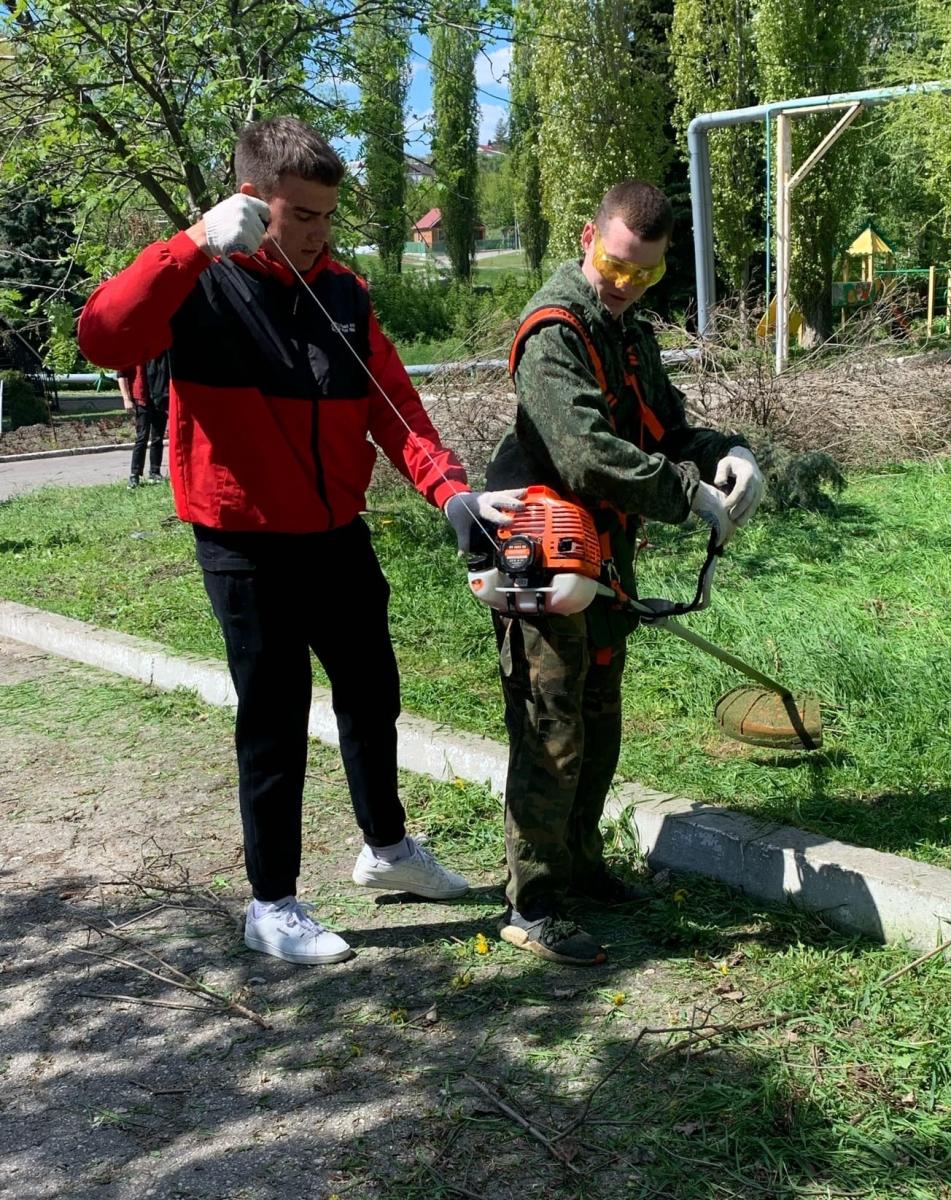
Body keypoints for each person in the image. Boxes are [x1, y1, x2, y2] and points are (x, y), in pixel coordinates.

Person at [79, 116, 522, 966]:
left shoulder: (346, 296)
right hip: (243, 542)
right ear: (253, 203)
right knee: (275, 720)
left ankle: (386, 850)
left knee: (372, 693)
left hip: (335, 534)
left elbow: (396, 407)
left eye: (328, 217)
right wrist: (192, 244)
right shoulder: (198, 287)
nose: (319, 234)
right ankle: (271, 903)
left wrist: (450, 490)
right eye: (302, 216)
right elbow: (103, 335)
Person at [482, 180, 764, 966]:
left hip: (602, 552)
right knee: (550, 725)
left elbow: (663, 425)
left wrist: (723, 453)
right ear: (587, 238)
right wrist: (688, 495)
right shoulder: (554, 330)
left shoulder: (626, 328)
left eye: (644, 273)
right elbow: (582, 452)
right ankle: (531, 901)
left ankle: (580, 866)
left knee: (598, 710)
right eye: (614, 265)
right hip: (541, 551)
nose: (624, 283)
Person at [117, 350, 171, 488]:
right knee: (142, 437)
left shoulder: (164, 350)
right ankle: (134, 475)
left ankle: (155, 472)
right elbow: (121, 374)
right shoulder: (135, 349)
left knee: (158, 438)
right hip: (143, 399)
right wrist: (126, 399)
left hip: (161, 398)